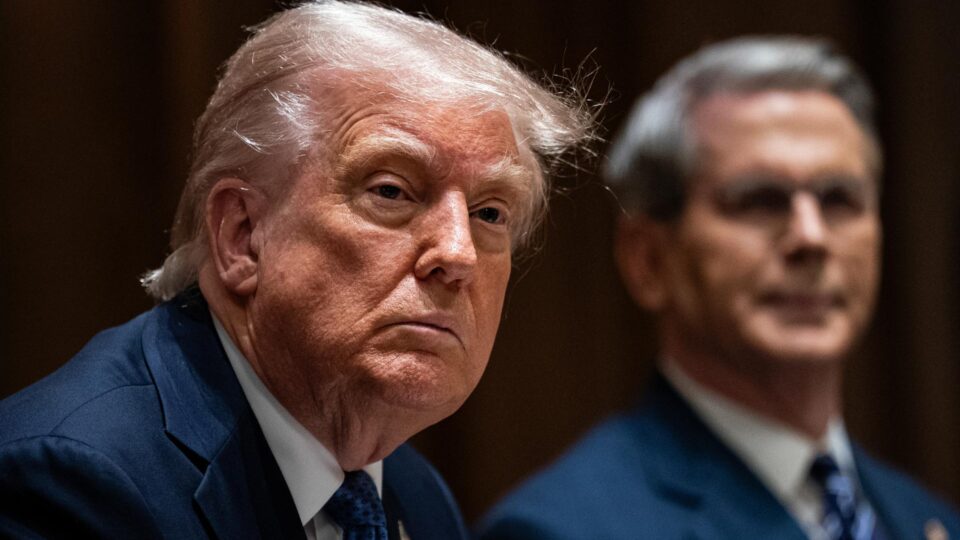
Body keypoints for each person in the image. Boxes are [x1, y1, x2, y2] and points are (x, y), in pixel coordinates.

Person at [0, 2, 592, 538]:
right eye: (391, 191)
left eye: (489, 213)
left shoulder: (417, 497)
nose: (459, 254)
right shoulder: (76, 485)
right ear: (243, 236)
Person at [480, 36, 960, 540]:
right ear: (649, 260)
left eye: (839, 199)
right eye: (759, 200)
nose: (811, 237)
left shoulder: (927, 517)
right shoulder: (561, 529)